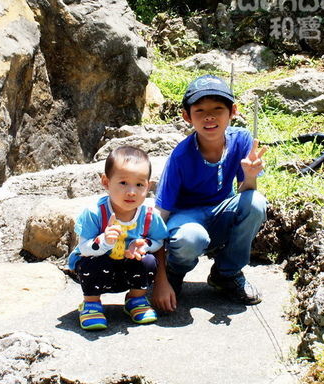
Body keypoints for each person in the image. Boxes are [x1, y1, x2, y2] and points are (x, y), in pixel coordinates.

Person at [151, 74, 267, 313]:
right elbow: (160, 215)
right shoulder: (180, 157)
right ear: (187, 116)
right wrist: (159, 277)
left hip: (220, 213)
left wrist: (250, 175)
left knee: (256, 202)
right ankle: (175, 272)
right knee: (191, 237)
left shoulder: (242, 140)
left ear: (233, 111)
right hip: (186, 221)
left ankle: (226, 273)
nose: (210, 116)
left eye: (217, 108)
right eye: (200, 110)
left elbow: (246, 196)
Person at [69, 145, 169, 331]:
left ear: (148, 186)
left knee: (148, 261)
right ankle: (91, 304)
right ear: (106, 182)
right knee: (90, 261)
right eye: (123, 183)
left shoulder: (148, 215)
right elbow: (83, 248)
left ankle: (136, 299)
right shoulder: (94, 213)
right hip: (100, 269)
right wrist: (104, 241)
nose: (131, 192)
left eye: (139, 184)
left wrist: (144, 245)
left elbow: (159, 241)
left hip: (129, 269)